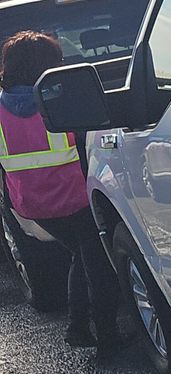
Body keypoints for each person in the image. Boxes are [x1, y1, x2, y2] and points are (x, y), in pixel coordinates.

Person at [0, 31, 120, 350]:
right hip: (74, 195)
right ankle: (105, 334)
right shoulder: (58, 96)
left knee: (82, 256)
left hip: (31, 204)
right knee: (94, 262)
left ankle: (80, 328)